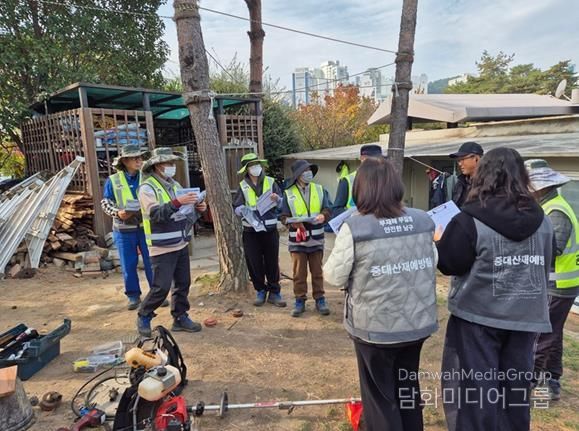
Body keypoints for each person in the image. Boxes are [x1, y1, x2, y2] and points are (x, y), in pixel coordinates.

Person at [436, 148, 553, 431]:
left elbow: (450, 263)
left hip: (478, 317)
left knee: (476, 391)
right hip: (525, 318)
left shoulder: (470, 218)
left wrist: (440, 240)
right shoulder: (542, 219)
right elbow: (545, 262)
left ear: (483, 175)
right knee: (515, 389)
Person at [324, 158, 438, 431]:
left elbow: (334, 276)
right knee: (408, 390)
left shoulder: (356, 227)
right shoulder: (422, 220)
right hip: (416, 324)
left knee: (380, 399)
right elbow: (431, 261)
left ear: (361, 190)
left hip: (375, 329)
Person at [136, 147, 207, 337]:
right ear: (157, 165)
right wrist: (178, 202)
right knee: (161, 287)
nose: (171, 166)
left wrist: (198, 208)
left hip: (180, 242)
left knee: (183, 283)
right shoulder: (147, 188)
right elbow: (156, 214)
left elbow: (183, 214)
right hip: (161, 246)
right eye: (168, 163)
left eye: (172, 163)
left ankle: (180, 317)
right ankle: (144, 315)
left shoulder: (175, 185)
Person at [526, 159, 579, 401]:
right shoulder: (548, 207)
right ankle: (552, 380)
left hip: (558, 284)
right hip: (559, 283)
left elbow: (553, 249)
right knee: (553, 333)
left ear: (539, 187)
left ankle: (529, 382)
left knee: (541, 336)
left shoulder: (555, 211)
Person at [101, 145, 154, 310]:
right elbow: (106, 202)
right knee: (128, 264)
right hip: (123, 229)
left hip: (145, 227)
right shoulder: (113, 180)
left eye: (140, 157)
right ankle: (133, 296)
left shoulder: (147, 177)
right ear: (124, 161)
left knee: (151, 262)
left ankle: (155, 294)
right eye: (134, 158)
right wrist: (117, 213)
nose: (139, 161)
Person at [233, 153, 286, 307]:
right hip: (251, 231)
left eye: (257, 164)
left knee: (272, 261)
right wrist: (241, 210)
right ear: (247, 169)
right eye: (252, 166)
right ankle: (260, 290)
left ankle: (274, 292)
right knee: (254, 262)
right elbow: (236, 206)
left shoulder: (271, 182)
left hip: (269, 229)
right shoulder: (243, 186)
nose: (256, 168)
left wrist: (278, 200)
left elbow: (282, 204)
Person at [280, 160, 332, 317]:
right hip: (298, 240)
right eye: (304, 171)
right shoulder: (288, 193)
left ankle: (320, 299)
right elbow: (283, 216)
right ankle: (299, 300)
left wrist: (323, 216)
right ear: (298, 175)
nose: (308, 173)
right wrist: (293, 223)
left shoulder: (320, 189)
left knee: (317, 272)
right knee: (299, 273)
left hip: (316, 238)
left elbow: (328, 208)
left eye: (309, 170)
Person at [333, 144, 384, 214]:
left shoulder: (385, 180)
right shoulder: (347, 181)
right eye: (371, 160)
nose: (375, 163)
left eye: (378, 160)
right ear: (362, 159)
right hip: (354, 220)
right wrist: (354, 214)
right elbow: (336, 210)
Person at [448, 141, 483, 207]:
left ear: (476, 158)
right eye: (458, 160)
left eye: (463, 159)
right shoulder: (460, 182)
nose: (460, 164)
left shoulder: (490, 183)